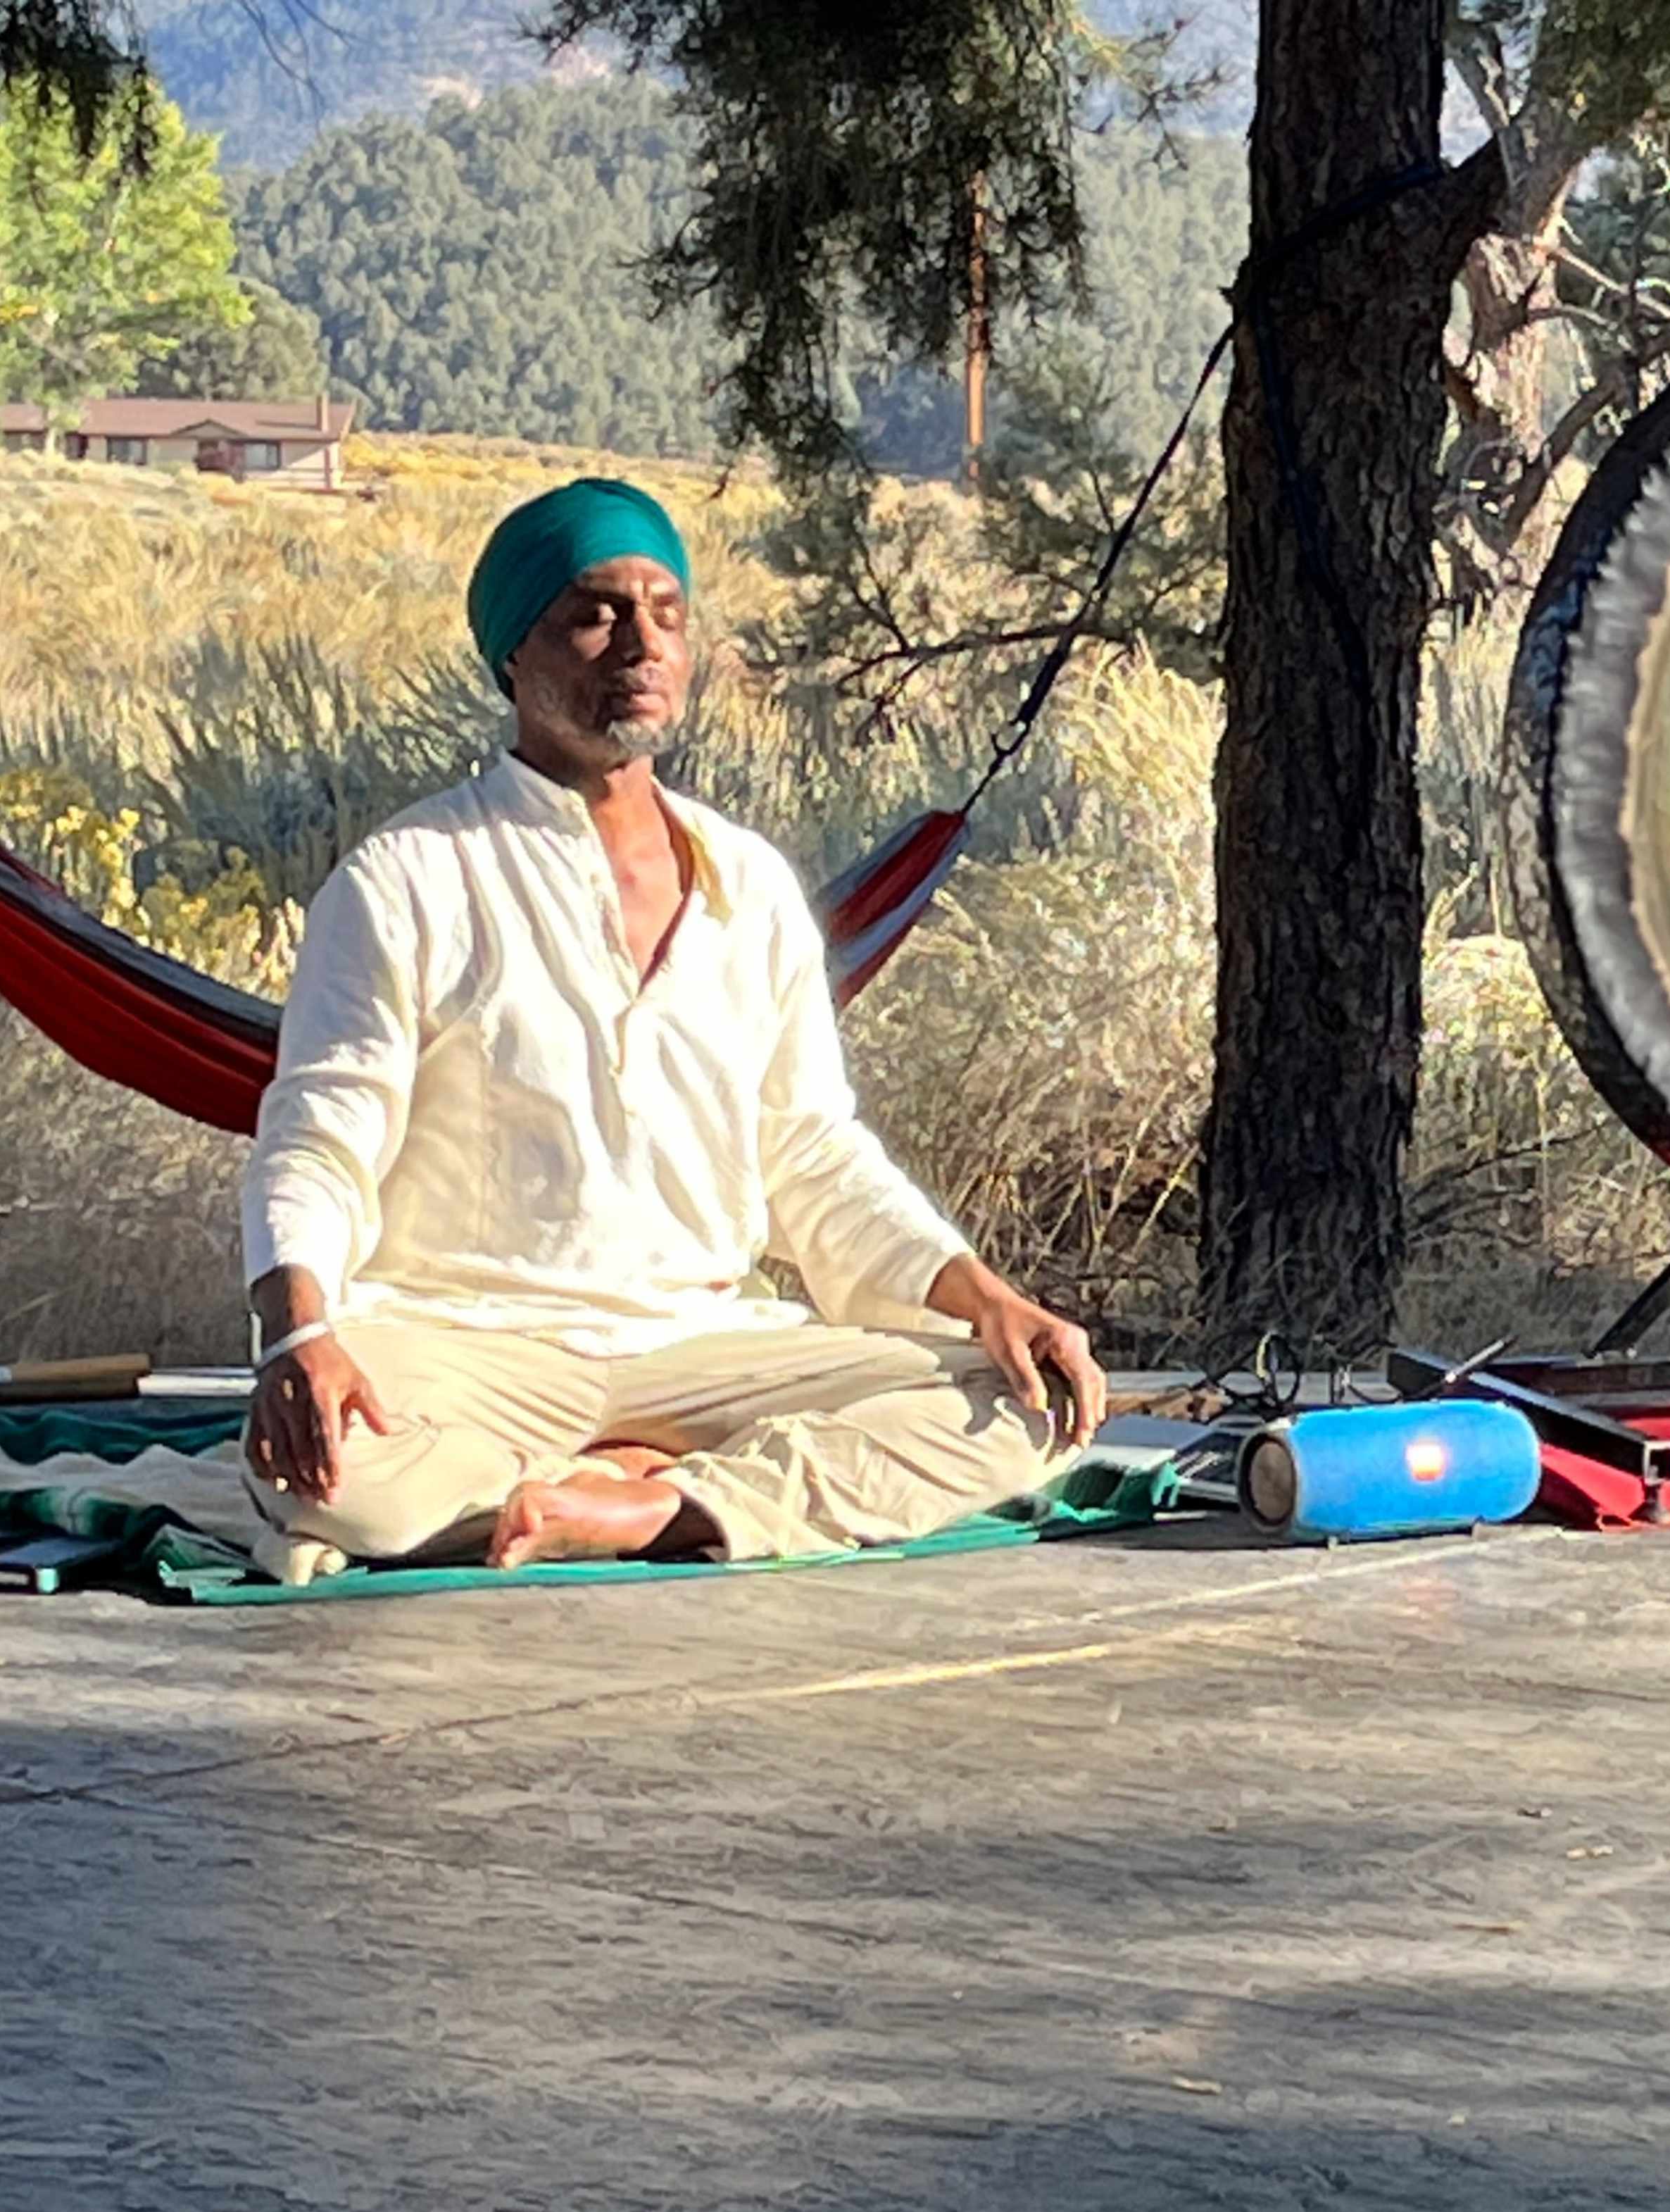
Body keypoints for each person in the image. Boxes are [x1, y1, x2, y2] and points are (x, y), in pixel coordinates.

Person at [239, 477, 1105, 1570]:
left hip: (701, 1351)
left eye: (667, 613)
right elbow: (320, 1135)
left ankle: (656, 1506)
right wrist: (304, 1335)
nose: (640, 644)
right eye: (595, 613)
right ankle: (624, 1486)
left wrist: (987, 1298)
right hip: (468, 1347)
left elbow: (814, 1154)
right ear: (515, 655)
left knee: (1027, 1404)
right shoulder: (408, 879)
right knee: (335, 1483)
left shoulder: (746, 884)